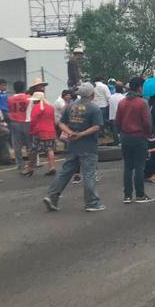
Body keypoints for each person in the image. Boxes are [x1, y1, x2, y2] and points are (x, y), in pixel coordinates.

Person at [43, 83, 105, 212]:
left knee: (65, 172)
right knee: (88, 174)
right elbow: (96, 127)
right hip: (88, 145)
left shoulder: (71, 106)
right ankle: (92, 203)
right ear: (91, 94)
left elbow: (61, 123)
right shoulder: (94, 108)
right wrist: (81, 134)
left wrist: (70, 133)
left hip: (72, 145)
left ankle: (52, 196)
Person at [114, 76, 154, 204]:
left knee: (128, 167)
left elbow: (117, 121)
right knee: (139, 167)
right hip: (139, 136)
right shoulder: (142, 103)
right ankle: (140, 194)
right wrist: (148, 134)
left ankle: (127, 195)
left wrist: (121, 132)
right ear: (139, 88)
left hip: (125, 136)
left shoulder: (122, 102)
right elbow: (147, 122)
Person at [28, 89, 58, 176]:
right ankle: (52, 167)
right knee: (50, 149)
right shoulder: (50, 107)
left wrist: (31, 131)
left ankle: (30, 168)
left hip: (39, 131)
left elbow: (33, 121)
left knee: (34, 150)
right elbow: (53, 119)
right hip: (51, 131)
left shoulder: (36, 107)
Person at [7, 80, 34, 176]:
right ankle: (32, 162)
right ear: (23, 88)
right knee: (30, 144)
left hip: (15, 122)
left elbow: (9, 110)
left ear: (14, 89)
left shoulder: (9, 99)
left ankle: (20, 163)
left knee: (17, 145)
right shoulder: (29, 98)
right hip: (27, 122)